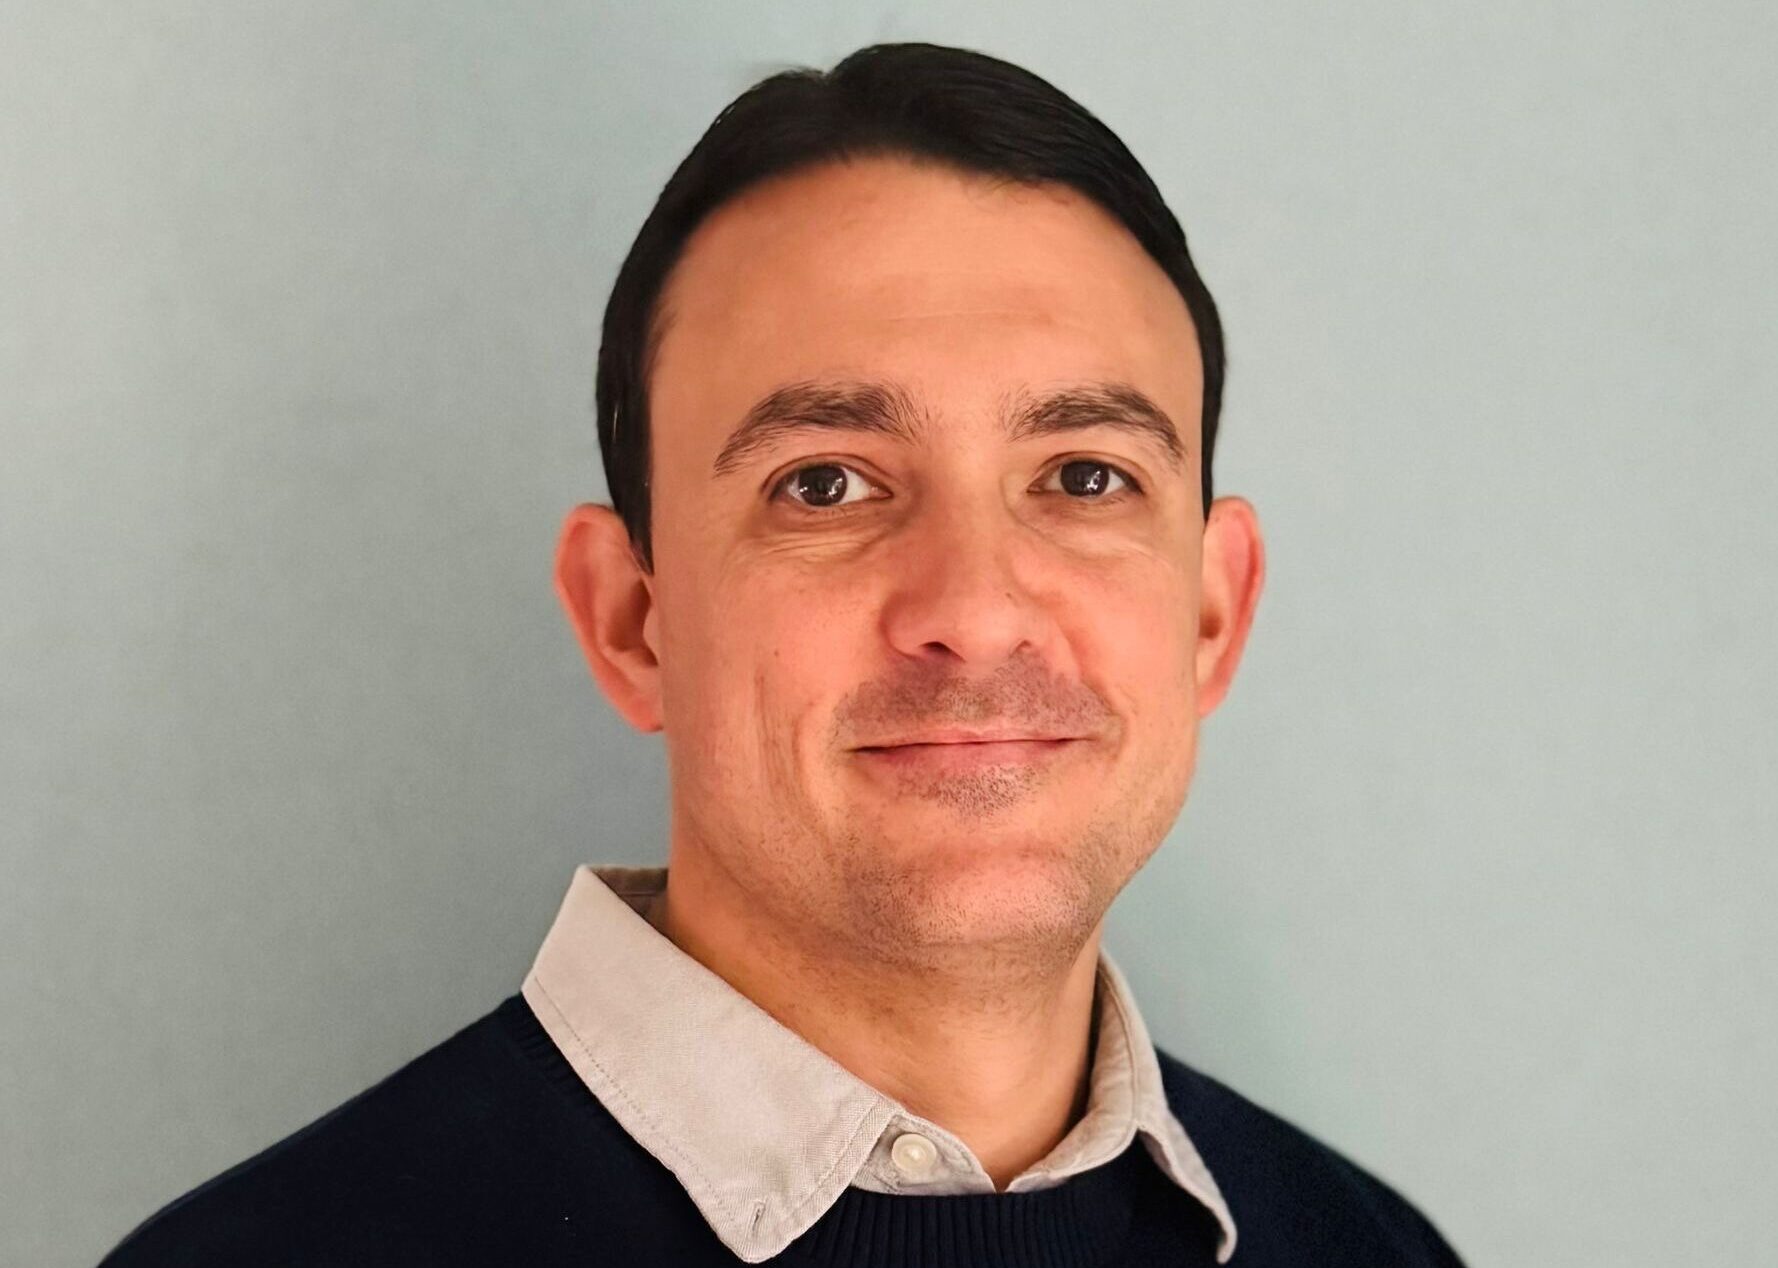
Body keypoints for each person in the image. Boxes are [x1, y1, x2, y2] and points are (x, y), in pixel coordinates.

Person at [103, 41, 1466, 1266]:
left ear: (1211, 615)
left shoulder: (1370, 1249)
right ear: (631, 623)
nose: (977, 608)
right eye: (825, 484)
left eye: (1084, 477)